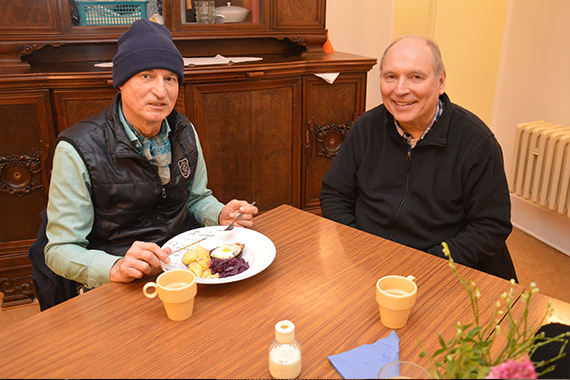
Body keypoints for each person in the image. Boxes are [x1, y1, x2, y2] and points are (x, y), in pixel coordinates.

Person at [29, 19, 258, 310]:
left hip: (179, 271)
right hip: (115, 282)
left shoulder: (183, 130)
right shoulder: (77, 149)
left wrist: (221, 214)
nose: (161, 92)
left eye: (170, 79)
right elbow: (60, 250)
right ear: (121, 81)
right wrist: (116, 267)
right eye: (146, 76)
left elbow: (196, 198)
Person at [319, 34, 517, 281]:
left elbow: (491, 225)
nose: (400, 90)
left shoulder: (477, 143)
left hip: (442, 271)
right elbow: (334, 194)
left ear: (441, 81)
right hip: (370, 263)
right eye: (391, 76)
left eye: (416, 77)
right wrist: (361, 245)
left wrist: (427, 266)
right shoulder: (365, 127)